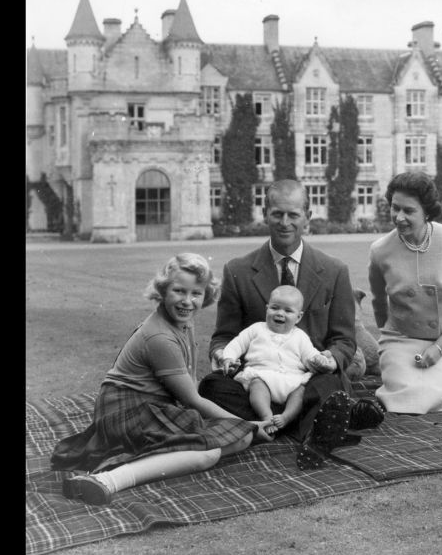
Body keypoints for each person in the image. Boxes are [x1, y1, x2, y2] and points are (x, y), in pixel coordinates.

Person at [198, 180, 385, 471]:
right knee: (211, 386)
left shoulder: (334, 271)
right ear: (265, 213)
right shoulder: (238, 271)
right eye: (277, 214)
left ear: (307, 217)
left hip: (309, 381)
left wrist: (328, 360)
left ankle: (269, 425)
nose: (285, 223)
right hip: (257, 383)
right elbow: (223, 337)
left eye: (293, 215)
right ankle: (318, 425)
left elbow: (345, 341)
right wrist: (223, 357)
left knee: (331, 383)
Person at [51, 253, 266, 506]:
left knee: (239, 437)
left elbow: (191, 381)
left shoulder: (184, 321)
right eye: (178, 291)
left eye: (196, 293)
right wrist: (250, 423)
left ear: (205, 294)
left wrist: (244, 427)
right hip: (126, 409)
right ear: (163, 290)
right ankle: (109, 479)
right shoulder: (159, 337)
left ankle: (155, 457)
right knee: (209, 453)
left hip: (153, 406)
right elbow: (193, 400)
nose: (187, 301)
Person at [368, 171, 442, 414]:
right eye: (395, 208)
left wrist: (439, 347)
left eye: (408, 211)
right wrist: (390, 341)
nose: (399, 217)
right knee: (408, 393)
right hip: (399, 339)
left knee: (436, 393)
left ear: (427, 211)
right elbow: (378, 303)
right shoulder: (379, 250)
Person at [216, 285, 336, 434]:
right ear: (267, 309)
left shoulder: (300, 336)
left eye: (288, 311)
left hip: (292, 380)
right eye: (275, 308)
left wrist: (319, 359)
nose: (280, 313)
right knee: (256, 386)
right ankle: (267, 416)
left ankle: (286, 417)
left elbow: (310, 355)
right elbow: (237, 343)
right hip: (262, 375)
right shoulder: (257, 329)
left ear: (298, 317)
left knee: (300, 392)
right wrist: (228, 357)